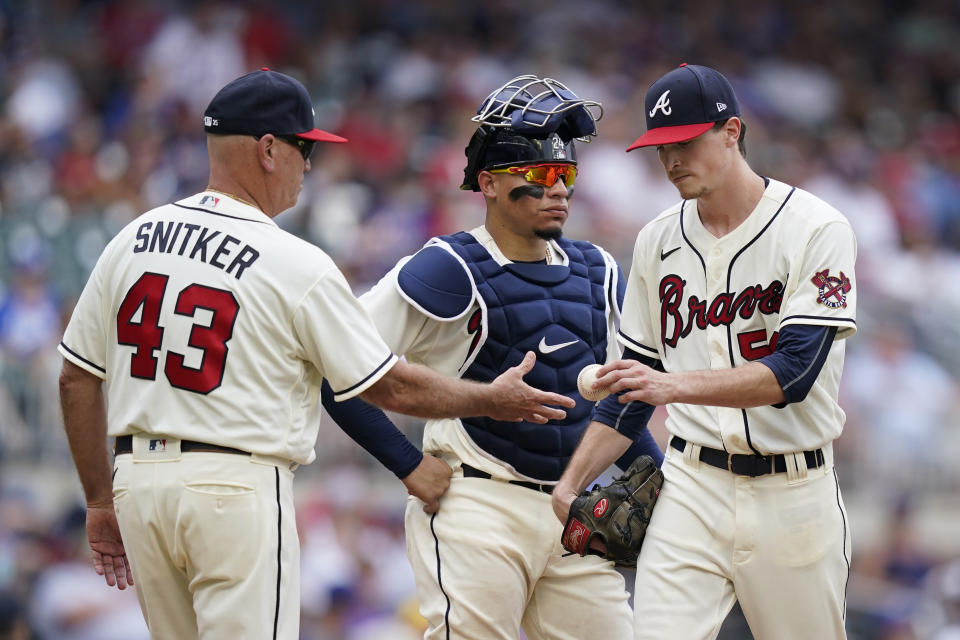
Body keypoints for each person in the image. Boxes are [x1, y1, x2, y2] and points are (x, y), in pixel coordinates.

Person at [56, 68, 575, 640]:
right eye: (304, 148)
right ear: (269, 149)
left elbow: (75, 380)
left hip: (137, 484)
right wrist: (490, 401)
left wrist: (99, 500)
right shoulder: (292, 260)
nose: (309, 165)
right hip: (234, 484)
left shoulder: (133, 238)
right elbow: (387, 387)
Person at [331, 74, 663, 640]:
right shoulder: (446, 266)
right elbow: (338, 367)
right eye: (538, 175)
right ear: (487, 182)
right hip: (479, 501)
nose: (558, 189)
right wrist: (407, 465)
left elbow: (619, 397)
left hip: (572, 509)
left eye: (567, 175)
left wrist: (649, 472)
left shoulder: (599, 269)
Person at [552, 63, 858, 640]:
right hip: (691, 485)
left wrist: (671, 386)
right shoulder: (658, 239)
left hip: (794, 491)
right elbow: (631, 392)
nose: (671, 161)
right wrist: (572, 484)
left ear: (731, 131)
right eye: (659, 146)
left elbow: (792, 373)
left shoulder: (817, 228)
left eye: (684, 142)